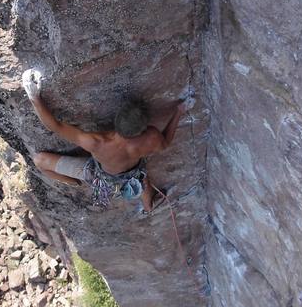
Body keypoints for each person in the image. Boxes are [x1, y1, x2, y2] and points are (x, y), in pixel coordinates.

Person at [22, 69, 193, 212]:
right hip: (133, 174)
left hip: (102, 177)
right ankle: (149, 206)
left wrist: (34, 97)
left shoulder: (97, 142)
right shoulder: (150, 138)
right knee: (142, 179)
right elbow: (166, 142)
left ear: (116, 121)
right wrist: (179, 111)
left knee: (39, 161)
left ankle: (73, 182)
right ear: (142, 128)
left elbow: (55, 126)